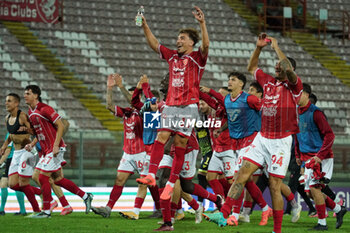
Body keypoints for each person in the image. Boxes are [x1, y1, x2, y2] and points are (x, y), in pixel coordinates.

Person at [205, 34, 303, 233]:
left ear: (289, 69)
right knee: (241, 174)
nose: (276, 66)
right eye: (276, 64)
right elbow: (252, 68)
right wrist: (258, 48)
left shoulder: (294, 87)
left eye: (280, 65)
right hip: (262, 138)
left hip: (280, 142)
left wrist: (276, 47)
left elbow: (289, 71)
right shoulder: (268, 83)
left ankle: (277, 229)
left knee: (275, 186)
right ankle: (224, 214)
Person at [136, 6, 209, 202]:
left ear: (192, 42)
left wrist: (202, 23)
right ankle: (151, 175)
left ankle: (170, 184)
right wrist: (145, 26)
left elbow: (206, 46)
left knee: (180, 144)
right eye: (178, 38)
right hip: (171, 105)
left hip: (188, 107)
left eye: (182, 38)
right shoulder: (172, 57)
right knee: (162, 136)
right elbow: (155, 45)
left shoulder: (196, 59)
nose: (178, 41)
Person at [202, 72, 272, 227]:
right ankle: (265, 208)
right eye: (229, 79)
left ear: (241, 84)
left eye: (233, 79)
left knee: (238, 178)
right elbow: (216, 104)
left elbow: (267, 111)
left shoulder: (249, 98)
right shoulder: (228, 100)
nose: (229, 81)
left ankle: (233, 215)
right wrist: (201, 92)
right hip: (237, 144)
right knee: (244, 180)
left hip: (251, 142)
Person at [24, 85, 93, 218]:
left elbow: (61, 125)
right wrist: (32, 143)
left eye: (28, 93)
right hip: (46, 150)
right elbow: (39, 132)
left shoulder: (45, 109)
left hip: (55, 148)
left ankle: (46, 211)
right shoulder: (30, 112)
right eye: (25, 93)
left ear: (36, 95)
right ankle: (85, 196)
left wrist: (56, 145)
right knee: (57, 179)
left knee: (42, 177)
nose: (25, 95)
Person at [91, 74, 147, 218]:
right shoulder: (127, 113)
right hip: (128, 153)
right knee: (119, 180)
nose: (129, 97)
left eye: (132, 94)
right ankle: (108, 208)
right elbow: (109, 106)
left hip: (142, 152)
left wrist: (121, 86)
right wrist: (109, 88)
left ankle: (144, 210)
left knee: (145, 183)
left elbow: (132, 101)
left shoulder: (144, 111)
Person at [296, 83, 347, 230]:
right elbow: (296, 136)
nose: (295, 97)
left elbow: (330, 135)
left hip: (320, 157)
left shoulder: (316, 113)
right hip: (306, 158)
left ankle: (322, 224)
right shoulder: (296, 113)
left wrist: (320, 155)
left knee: (315, 188)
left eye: (298, 94)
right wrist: (298, 155)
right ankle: (338, 209)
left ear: (306, 94)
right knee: (311, 192)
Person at [0, 93, 41, 215]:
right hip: (17, 153)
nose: (6, 103)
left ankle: (37, 211)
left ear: (16, 103)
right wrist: (4, 145)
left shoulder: (23, 116)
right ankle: (42, 193)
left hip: (27, 151)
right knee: (12, 184)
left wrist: (28, 133)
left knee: (23, 184)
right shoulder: (7, 118)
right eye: (6, 100)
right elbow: (11, 136)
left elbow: (37, 131)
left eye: (9, 101)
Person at [0, 133, 26, 216]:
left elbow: (7, 151)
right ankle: (2, 210)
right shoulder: (20, 133)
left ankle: (22, 210)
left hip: (13, 160)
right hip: (16, 160)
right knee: (4, 184)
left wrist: (0, 162)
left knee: (15, 184)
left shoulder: (11, 134)